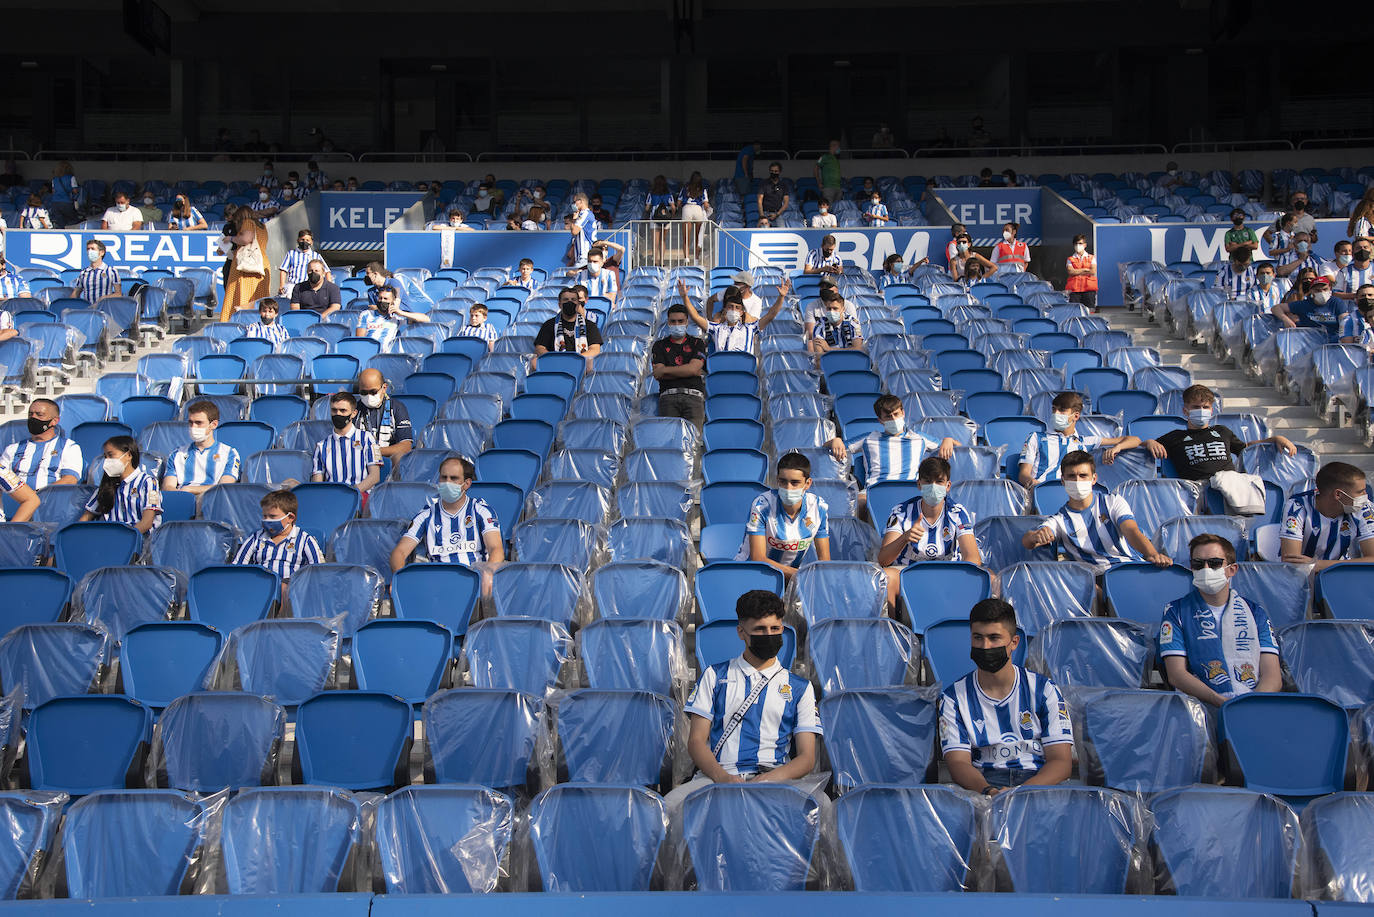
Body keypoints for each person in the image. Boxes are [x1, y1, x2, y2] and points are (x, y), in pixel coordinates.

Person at [665, 589, 821, 808]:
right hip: (718, 776)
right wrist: (723, 778)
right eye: (759, 629)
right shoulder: (714, 675)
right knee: (669, 806)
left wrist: (768, 779)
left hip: (778, 777)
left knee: (823, 806)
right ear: (741, 632)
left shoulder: (801, 688)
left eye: (775, 628)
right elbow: (696, 742)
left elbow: (807, 758)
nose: (769, 635)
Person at [939, 598, 1073, 794]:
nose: (985, 646)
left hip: (1038, 781)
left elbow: (1061, 762)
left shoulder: (1045, 689)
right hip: (983, 784)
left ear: (1014, 642)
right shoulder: (953, 698)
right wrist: (989, 792)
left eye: (994, 638)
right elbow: (958, 763)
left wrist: (1018, 794)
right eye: (978, 638)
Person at [1159, 534, 1281, 706]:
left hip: (1252, 705)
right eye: (1198, 564)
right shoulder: (1175, 611)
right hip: (1200, 707)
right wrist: (1222, 703)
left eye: (1214, 563)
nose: (1206, 569)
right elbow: (1176, 674)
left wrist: (1251, 706)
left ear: (1232, 569)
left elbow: (1272, 675)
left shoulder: (1256, 612)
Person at [1021, 450, 1172, 573]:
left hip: (1127, 567)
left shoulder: (1113, 501)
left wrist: (1153, 554)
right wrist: (1035, 536)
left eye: (1083, 475)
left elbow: (1131, 531)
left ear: (1094, 479)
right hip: (1095, 578)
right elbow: (1028, 541)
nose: (1077, 481)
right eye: (1071, 476)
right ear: (1063, 481)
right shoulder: (1059, 520)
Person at [389, 455, 505, 594]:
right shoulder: (426, 515)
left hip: (475, 584)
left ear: (467, 484)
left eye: (453, 478)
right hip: (436, 586)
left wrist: (488, 575)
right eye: (443, 477)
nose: (447, 483)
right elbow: (399, 552)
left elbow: (496, 549)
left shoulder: (481, 511)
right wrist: (398, 578)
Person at [878, 456, 981, 609]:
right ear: (919, 484)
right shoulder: (901, 511)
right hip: (908, 572)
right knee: (885, 577)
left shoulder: (957, 513)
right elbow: (883, 560)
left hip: (947, 573)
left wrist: (955, 579)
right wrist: (904, 538)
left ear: (948, 486)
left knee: (990, 578)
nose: (933, 487)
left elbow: (973, 558)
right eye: (927, 481)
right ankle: (890, 624)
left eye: (939, 481)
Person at [1143, 384, 1296, 480]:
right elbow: (1144, 446)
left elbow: (1246, 447)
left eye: (1205, 407)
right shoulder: (1175, 437)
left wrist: (1275, 439)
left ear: (1211, 410)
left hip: (1231, 487)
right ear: (1185, 411)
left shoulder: (1222, 431)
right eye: (1196, 407)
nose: (1201, 411)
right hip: (1198, 492)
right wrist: (1149, 442)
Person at [829, 394, 958, 507]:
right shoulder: (868, 438)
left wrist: (949, 440)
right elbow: (832, 447)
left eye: (896, 414)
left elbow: (959, 448)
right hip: (875, 490)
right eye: (888, 417)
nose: (893, 419)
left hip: (913, 489)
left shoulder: (919, 438)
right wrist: (835, 441)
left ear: (903, 413)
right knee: (860, 502)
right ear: (880, 420)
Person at [738, 452, 831, 580]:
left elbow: (824, 560)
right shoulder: (762, 505)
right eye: (783, 481)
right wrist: (801, 575)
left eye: (795, 482)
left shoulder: (819, 507)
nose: (788, 488)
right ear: (777, 480)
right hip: (754, 574)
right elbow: (758, 558)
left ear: (808, 483)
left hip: (792, 578)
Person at [1018, 392, 1140, 487]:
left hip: (1073, 493)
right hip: (1040, 491)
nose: (1056, 414)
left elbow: (1135, 440)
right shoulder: (1036, 437)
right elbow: (1023, 474)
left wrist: (1117, 447)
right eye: (1054, 409)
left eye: (1062, 410)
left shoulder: (1084, 442)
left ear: (1076, 416)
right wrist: (1034, 485)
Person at [1280, 461, 1374, 571]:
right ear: (1338, 494)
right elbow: (1292, 562)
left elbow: (1372, 559)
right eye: (1360, 492)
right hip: (1302, 576)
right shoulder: (1297, 506)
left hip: (1341, 572)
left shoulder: (1363, 507)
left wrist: (1318, 565)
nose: (1365, 496)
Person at [230, 489, 324, 585]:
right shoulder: (256, 538)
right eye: (265, 516)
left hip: (291, 587)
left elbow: (319, 572)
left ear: (290, 518)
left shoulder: (305, 540)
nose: (267, 520)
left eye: (272, 516)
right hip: (260, 586)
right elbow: (238, 567)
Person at [678, 279, 788, 353]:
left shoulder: (751, 328)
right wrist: (684, 297)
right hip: (722, 371)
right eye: (730, 307)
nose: (733, 310)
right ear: (725, 309)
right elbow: (696, 317)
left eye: (737, 307)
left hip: (743, 372)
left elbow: (770, 315)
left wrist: (781, 297)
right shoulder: (716, 328)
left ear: (742, 312)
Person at [79, 436, 161, 533]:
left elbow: (146, 523)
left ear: (128, 455)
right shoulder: (107, 485)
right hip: (110, 538)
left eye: (111, 455)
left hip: (139, 538)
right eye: (105, 457)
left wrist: (125, 538)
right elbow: (86, 516)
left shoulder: (148, 482)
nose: (107, 460)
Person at [162, 401, 241, 495]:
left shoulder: (229, 454)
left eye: (198, 423)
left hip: (212, 499)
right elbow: (168, 486)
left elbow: (224, 487)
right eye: (190, 422)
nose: (193, 427)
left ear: (214, 424)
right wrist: (182, 496)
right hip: (182, 498)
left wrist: (190, 490)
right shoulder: (177, 454)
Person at [311, 393, 383, 495]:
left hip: (360, 495)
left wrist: (351, 494)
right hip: (332, 497)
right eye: (334, 410)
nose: (338, 414)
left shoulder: (368, 439)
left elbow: (375, 476)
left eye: (343, 410)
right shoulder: (321, 446)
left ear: (354, 413)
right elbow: (317, 483)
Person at [2, 399, 82, 490]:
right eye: (30, 414)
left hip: (50, 498)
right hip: (15, 498)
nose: (33, 417)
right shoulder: (12, 449)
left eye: (39, 415)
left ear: (54, 421)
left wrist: (37, 494)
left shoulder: (69, 447)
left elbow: (70, 480)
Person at [652, 303, 708, 428]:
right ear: (668, 322)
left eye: (680, 321)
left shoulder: (697, 343)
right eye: (673, 321)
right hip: (668, 397)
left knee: (694, 438)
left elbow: (693, 369)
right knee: (670, 439)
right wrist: (688, 370)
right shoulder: (659, 345)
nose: (677, 324)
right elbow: (658, 373)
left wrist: (665, 370)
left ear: (687, 322)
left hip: (694, 397)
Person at [532, 287, 602, 370]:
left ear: (578, 304)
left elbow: (595, 349)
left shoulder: (590, 325)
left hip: (579, 363)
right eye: (566, 300)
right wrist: (554, 358)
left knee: (591, 365)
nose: (570, 302)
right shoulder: (549, 324)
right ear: (559, 305)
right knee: (534, 362)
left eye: (573, 300)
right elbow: (540, 348)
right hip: (555, 363)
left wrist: (574, 360)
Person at [354, 368, 413, 463]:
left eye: (373, 392)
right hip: (360, 459)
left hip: (388, 459)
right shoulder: (354, 410)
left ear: (384, 388)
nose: (369, 397)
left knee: (399, 457)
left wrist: (374, 451)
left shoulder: (397, 407)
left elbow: (406, 446)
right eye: (364, 393)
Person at [221, 214, 270, 321]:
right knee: (259, 299)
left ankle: (239, 322)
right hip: (261, 265)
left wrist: (231, 238)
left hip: (246, 269)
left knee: (242, 298)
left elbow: (246, 239)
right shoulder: (262, 226)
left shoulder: (247, 223)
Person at [356, 286, 428, 353]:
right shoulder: (366, 314)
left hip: (387, 354)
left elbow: (426, 319)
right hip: (368, 352)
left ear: (393, 301)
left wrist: (401, 312)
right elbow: (360, 340)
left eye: (385, 299)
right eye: (380, 298)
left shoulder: (397, 317)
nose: (382, 301)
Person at [807, 289, 864, 354]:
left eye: (835, 308)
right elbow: (819, 357)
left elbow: (858, 350)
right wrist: (849, 350)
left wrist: (830, 349)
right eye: (829, 309)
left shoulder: (853, 323)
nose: (831, 311)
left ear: (843, 309)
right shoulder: (820, 325)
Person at [1273, 274, 1337, 329]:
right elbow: (1276, 308)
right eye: (1317, 290)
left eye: (1325, 289)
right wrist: (1286, 320)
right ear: (1311, 291)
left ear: (1330, 289)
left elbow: (1342, 319)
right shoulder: (1304, 304)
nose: (1322, 292)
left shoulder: (1336, 303)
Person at [278, 228, 325, 297]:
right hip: (292, 286)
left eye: (307, 240)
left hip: (309, 287)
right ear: (298, 240)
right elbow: (283, 270)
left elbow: (326, 272)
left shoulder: (316, 256)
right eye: (302, 240)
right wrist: (282, 285)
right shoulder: (291, 254)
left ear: (311, 242)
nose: (305, 242)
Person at [74, 240, 122, 305]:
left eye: (93, 249)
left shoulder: (111, 271)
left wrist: (103, 298)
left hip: (104, 308)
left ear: (102, 252)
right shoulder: (83, 273)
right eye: (88, 249)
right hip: (87, 308)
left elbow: (118, 294)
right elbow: (76, 293)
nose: (90, 251)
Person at [679, 171, 712, 261]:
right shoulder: (702, 189)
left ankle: (686, 258)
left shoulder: (685, 188)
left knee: (686, 237)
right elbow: (706, 204)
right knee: (698, 236)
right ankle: (696, 259)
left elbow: (679, 202)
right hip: (698, 209)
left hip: (687, 208)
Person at [1333, 238, 1374, 304]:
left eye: (1365, 247)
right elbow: (1335, 294)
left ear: (1371, 251)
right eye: (1358, 248)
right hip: (1350, 309)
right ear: (1352, 253)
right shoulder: (1344, 271)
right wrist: (1357, 296)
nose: (1362, 250)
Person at [1064, 234, 1098, 310]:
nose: (1078, 246)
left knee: (1089, 311)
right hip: (1074, 291)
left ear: (1085, 245)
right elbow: (1071, 272)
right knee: (1074, 312)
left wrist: (1076, 271)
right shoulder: (1070, 259)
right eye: (1076, 244)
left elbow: (1092, 271)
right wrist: (1085, 269)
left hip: (1089, 290)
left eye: (1080, 243)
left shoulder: (1091, 257)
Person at [1339, 285, 1374, 351]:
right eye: (1362, 296)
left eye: (1370, 295)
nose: (1366, 298)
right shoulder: (1348, 320)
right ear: (1357, 299)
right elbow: (1348, 348)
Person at [569, 193, 598, 268]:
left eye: (575, 202)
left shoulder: (585, 213)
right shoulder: (584, 214)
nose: (573, 204)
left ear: (581, 201)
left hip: (585, 255)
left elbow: (574, 231)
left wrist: (574, 219)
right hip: (581, 256)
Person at [48, 162, 80, 227]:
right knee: (72, 222)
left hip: (55, 203)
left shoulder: (54, 179)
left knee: (60, 223)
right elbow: (75, 191)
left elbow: (53, 191)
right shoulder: (71, 177)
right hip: (67, 202)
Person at [815, 139, 843, 208]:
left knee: (837, 208)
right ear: (834, 146)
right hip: (828, 187)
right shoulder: (825, 157)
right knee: (828, 208)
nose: (839, 148)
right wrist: (819, 182)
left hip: (838, 187)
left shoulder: (835, 159)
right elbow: (816, 168)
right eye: (838, 146)